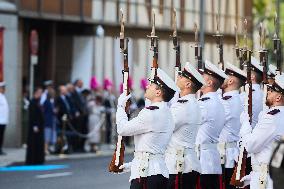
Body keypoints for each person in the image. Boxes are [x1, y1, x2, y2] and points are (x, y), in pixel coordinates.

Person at [117, 68, 179, 189]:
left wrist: (120, 107)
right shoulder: (167, 113)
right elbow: (152, 147)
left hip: (146, 175)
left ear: (158, 92)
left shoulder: (151, 113)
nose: (147, 86)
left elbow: (123, 129)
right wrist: (131, 165)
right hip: (158, 171)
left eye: (151, 85)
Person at [239, 74, 284, 189]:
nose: (268, 93)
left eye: (271, 91)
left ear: (278, 97)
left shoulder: (271, 117)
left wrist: (245, 124)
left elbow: (250, 145)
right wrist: (253, 175)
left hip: (266, 180)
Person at [165, 62, 205, 189]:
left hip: (178, 165)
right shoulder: (192, 103)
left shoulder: (183, 106)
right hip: (185, 163)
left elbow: (163, 128)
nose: (178, 76)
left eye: (182, 76)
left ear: (188, 84)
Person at [196, 60, 227, 189]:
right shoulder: (217, 101)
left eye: (202, 76)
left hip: (202, 162)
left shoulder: (204, 103)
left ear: (209, 82)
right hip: (211, 159)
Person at [219, 62, 247, 189]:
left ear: (230, 81)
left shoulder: (226, 102)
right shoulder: (238, 99)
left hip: (224, 155)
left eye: (223, 76)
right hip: (231, 152)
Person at [26, 87, 45, 165]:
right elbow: (33, 115)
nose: (41, 94)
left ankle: (38, 159)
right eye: (40, 92)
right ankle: (32, 159)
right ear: (36, 93)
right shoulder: (32, 102)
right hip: (35, 126)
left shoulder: (38, 102)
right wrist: (35, 125)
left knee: (39, 143)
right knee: (33, 143)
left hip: (40, 126)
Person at [43, 88, 57, 154]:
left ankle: (48, 148)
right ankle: (45, 149)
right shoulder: (46, 102)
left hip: (51, 121)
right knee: (47, 136)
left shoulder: (51, 102)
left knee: (50, 135)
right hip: (47, 121)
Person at [0, 81, 8, 155]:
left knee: (1, 136)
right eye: (2, 88)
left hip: (3, 121)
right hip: (0, 120)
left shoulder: (3, 96)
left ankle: (0, 149)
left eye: (4, 88)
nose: (4, 89)